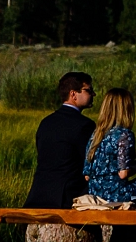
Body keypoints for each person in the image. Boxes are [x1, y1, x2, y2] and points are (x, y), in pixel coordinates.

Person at [83, 87, 136, 206]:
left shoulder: (95, 135)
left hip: (96, 194)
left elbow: (87, 175)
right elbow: (123, 173)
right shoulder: (124, 135)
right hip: (116, 195)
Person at [26, 71, 96, 208]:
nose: (93, 94)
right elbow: (91, 160)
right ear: (73, 94)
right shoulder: (85, 125)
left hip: (38, 194)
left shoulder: (46, 122)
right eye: (88, 90)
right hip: (68, 197)